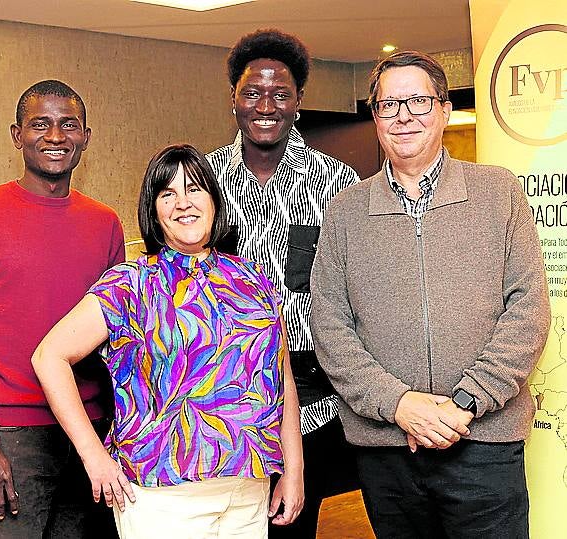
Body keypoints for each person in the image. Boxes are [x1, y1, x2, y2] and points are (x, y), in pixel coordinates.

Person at [311, 50, 551, 538]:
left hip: (484, 441)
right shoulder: (346, 210)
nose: (403, 116)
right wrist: (400, 404)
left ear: (443, 109)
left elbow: (528, 310)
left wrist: (463, 404)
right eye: (388, 105)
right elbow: (329, 323)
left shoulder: (497, 192)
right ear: (375, 117)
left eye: (418, 101)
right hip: (387, 450)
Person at [31, 144, 304, 539]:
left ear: (214, 199)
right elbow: (49, 356)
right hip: (161, 497)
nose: (183, 203)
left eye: (194, 188)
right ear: (154, 211)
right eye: (167, 193)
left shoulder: (253, 276)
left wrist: (293, 469)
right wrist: (94, 457)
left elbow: (282, 378)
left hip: (248, 490)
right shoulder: (132, 283)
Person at [0, 80, 125, 538]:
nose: (56, 136)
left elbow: (119, 339)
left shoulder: (105, 223)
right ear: (16, 135)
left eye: (69, 125)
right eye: (40, 124)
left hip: (91, 430)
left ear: (86, 137)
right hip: (12, 436)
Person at [207, 28, 360, 537]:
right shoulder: (199, 182)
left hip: (315, 400)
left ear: (299, 102)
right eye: (252, 93)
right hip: (220, 400)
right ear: (233, 100)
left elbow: (360, 291)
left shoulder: (337, 182)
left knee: (292, 525)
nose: (265, 105)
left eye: (280, 93)